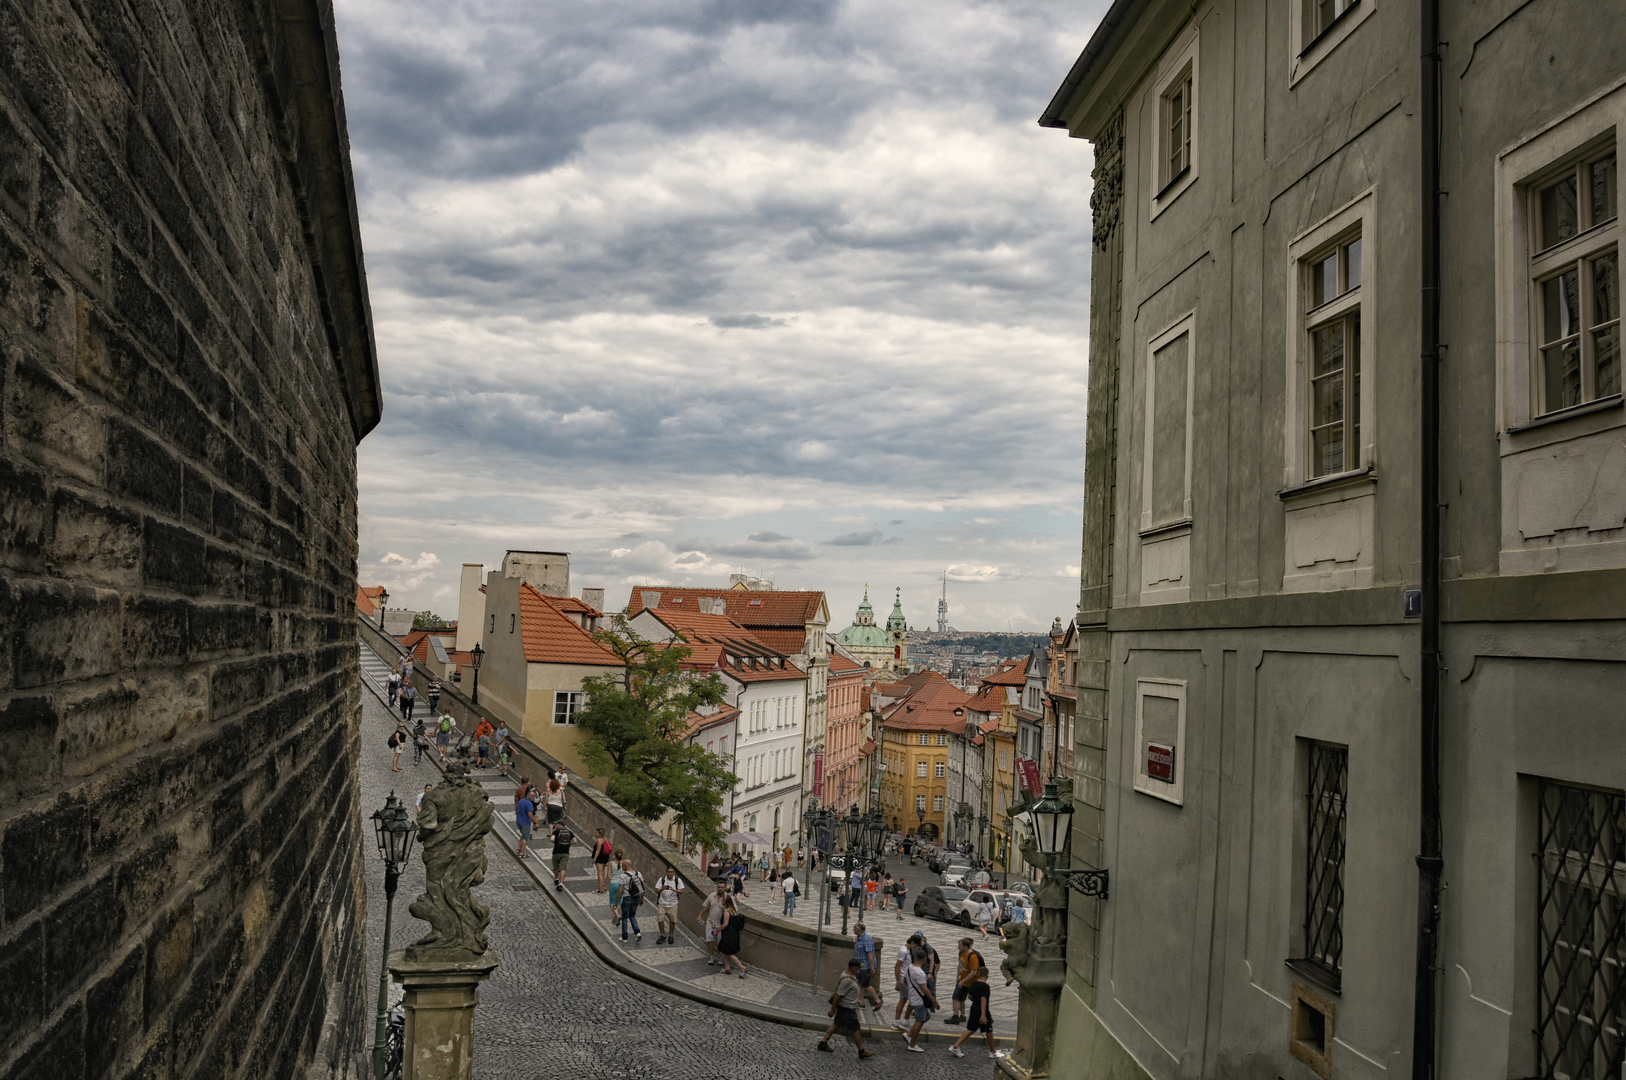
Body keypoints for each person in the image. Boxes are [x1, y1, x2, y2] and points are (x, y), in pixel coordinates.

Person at [817, 958, 876, 1059]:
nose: (859, 969)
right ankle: (861, 1051)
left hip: (844, 1007)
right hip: (847, 1008)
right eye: (858, 967)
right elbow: (838, 996)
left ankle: (823, 1042)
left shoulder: (845, 973)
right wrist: (832, 1010)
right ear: (853, 967)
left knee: (836, 1025)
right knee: (856, 1028)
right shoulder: (847, 980)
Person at [948, 967, 1005, 1059]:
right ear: (987, 975)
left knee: (971, 1029)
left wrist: (976, 1000)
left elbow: (970, 996)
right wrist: (983, 1014)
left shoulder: (974, 983)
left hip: (974, 1008)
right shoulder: (985, 986)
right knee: (989, 1030)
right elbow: (983, 999)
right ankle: (993, 1051)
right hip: (982, 1010)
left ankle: (956, 1046)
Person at [903, 947, 938, 1051]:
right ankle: (912, 1044)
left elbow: (905, 980)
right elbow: (925, 989)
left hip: (913, 998)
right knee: (920, 1020)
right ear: (925, 959)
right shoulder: (920, 973)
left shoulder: (909, 967)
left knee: (926, 1017)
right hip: (919, 1001)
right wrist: (934, 1001)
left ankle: (909, 1034)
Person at [949, 937, 984, 1023]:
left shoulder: (973, 956)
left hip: (971, 982)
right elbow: (960, 964)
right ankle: (961, 1015)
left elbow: (974, 972)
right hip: (962, 981)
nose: (958, 947)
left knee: (958, 998)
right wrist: (958, 976)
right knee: (960, 998)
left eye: (960, 946)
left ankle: (956, 1017)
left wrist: (963, 981)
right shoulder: (961, 953)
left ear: (965, 946)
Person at [853, 922, 884, 1017]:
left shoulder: (867, 939)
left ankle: (877, 1001)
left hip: (866, 966)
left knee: (866, 985)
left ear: (859, 929)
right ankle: (860, 1002)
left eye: (854, 928)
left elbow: (870, 955)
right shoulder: (859, 938)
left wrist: (872, 968)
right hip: (860, 965)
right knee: (860, 983)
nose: (853, 930)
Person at [893, 932, 923, 1028]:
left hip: (905, 978)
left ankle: (897, 1021)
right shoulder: (904, 951)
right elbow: (897, 966)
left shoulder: (908, 950)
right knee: (913, 999)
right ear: (913, 942)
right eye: (917, 945)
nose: (916, 948)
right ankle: (905, 1020)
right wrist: (898, 982)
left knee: (903, 999)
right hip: (904, 979)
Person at [697, 881, 729, 966]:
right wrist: (700, 915)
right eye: (719, 887)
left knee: (721, 942)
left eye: (722, 887)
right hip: (710, 922)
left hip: (720, 925)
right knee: (709, 940)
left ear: (725, 888)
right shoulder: (712, 896)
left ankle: (722, 957)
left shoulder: (728, 898)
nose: (720, 889)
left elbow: (732, 910)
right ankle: (711, 956)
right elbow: (706, 906)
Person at [717, 896, 747, 977]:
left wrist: (717, 930)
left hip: (728, 934)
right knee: (722, 949)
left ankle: (742, 967)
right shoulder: (734, 910)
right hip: (734, 933)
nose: (721, 901)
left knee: (729, 952)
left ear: (725, 901)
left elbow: (725, 923)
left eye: (722, 900)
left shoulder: (727, 910)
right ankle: (727, 967)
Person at [654, 865, 683, 944]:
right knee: (660, 920)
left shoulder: (677, 880)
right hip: (662, 903)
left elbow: (681, 891)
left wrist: (673, 889)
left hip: (673, 903)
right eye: (668, 872)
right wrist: (663, 888)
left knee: (672, 921)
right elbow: (657, 891)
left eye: (672, 872)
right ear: (666, 872)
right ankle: (663, 935)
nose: (670, 873)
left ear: (674, 873)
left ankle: (671, 935)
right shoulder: (662, 879)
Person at [617, 858, 644, 942]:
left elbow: (620, 890)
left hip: (627, 898)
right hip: (636, 897)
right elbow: (642, 887)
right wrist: (642, 898)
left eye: (622, 865)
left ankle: (624, 937)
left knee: (624, 917)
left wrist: (616, 901)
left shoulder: (623, 876)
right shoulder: (638, 873)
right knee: (632, 915)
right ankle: (637, 932)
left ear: (624, 865)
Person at [548, 819, 574, 891]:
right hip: (565, 853)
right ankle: (561, 883)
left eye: (556, 825)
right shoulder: (570, 832)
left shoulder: (556, 831)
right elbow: (575, 841)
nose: (555, 826)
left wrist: (556, 841)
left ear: (560, 825)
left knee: (556, 867)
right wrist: (568, 843)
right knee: (563, 868)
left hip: (556, 852)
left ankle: (556, 879)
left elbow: (552, 839)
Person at [515, 787, 538, 858]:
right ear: (528, 795)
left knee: (523, 835)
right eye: (533, 796)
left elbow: (517, 809)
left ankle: (518, 848)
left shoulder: (521, 801)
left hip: (518, 821)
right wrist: (534, 822)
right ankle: (522, 853)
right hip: (525, 822)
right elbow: (530, 814)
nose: (534, 797)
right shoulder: (529, 804)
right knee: (525, 837)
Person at [607, 849, 625, 922]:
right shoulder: (624, 863)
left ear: (615, 856)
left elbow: (608, 875)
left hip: (613, 883)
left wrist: (604, 884)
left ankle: (617, 915)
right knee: (619, 902)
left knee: (612, 902)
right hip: (621, 884)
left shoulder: (611, 863)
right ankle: (618, 916)